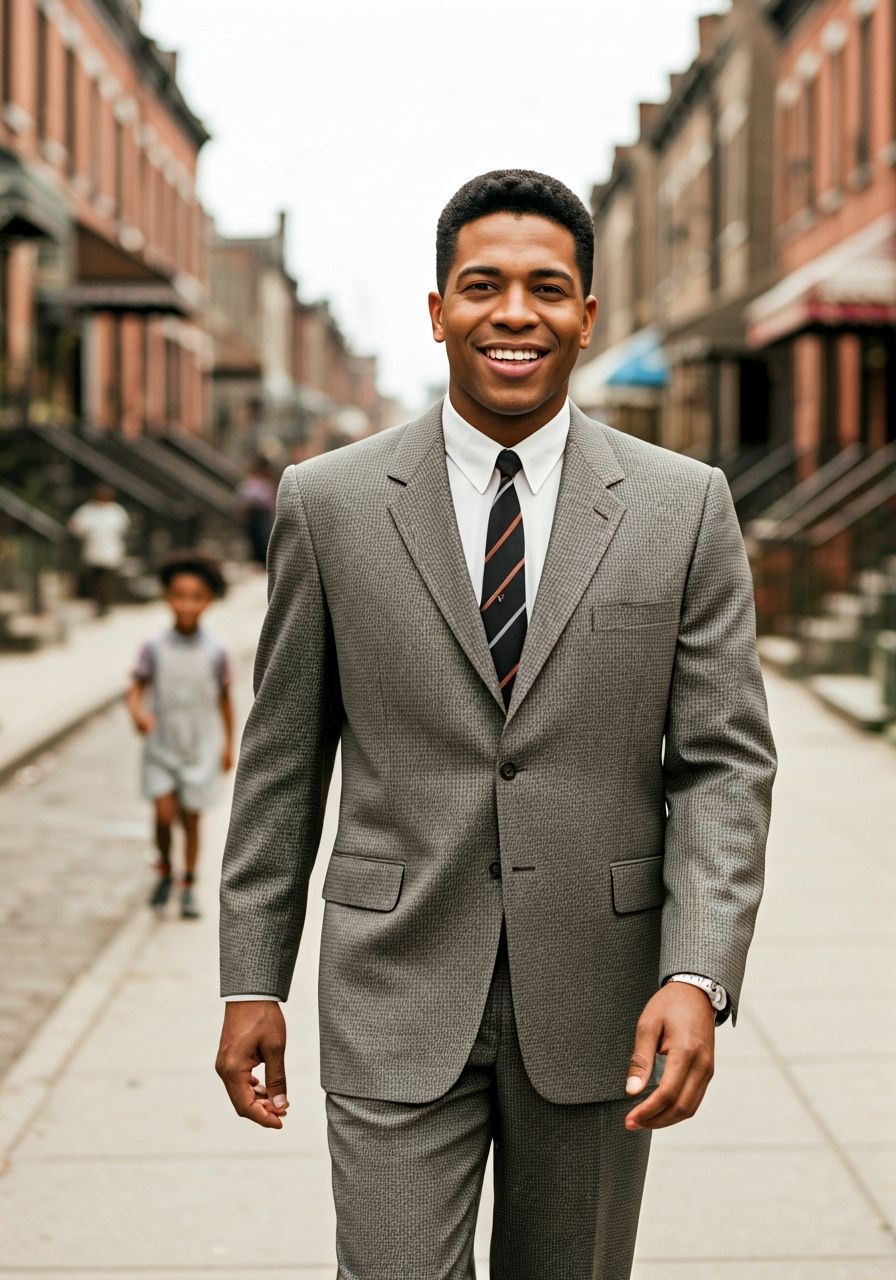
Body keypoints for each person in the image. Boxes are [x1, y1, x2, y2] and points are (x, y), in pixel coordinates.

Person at [215, 170, 776, 1279]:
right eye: (481, 285)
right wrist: (251, 977)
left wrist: (696, 970)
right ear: (436, 312)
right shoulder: (327, 502)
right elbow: (281, 760)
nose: (513, 312)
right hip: (392, 978)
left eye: (544, 288)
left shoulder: (683, 503)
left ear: (584, 315)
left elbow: (721, 762)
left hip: (602, 991)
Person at [128, 552, 234, 920]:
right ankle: (163, 869)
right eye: (179, 594)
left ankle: (187, 882)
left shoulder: (218, 650)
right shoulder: (154, 646)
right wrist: (137, 714)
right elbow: (136, 686)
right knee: (163, 812)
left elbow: (225, 700)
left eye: (197, 596)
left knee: (191, 819)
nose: (187, 604)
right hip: (163, 744)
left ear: (209, 600)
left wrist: (227, 746)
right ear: (167, 597)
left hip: (200, 745)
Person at [68, 483, 130, 616]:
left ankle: (104, 605)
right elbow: (75, 526)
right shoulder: (88, 510)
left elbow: (123, 527)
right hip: (94, 551)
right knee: (96, 580)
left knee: (105, 580)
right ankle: (99, 604)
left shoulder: (115, 510)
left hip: (110, 551)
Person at [238, 455, 277, 567]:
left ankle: (262, 560)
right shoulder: (251, 479)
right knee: (253, 535)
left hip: (261, 512)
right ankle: (256, 559)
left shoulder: (267, 480)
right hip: (252, 511)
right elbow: (244, 495)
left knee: (262, 535)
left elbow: (266, 497)